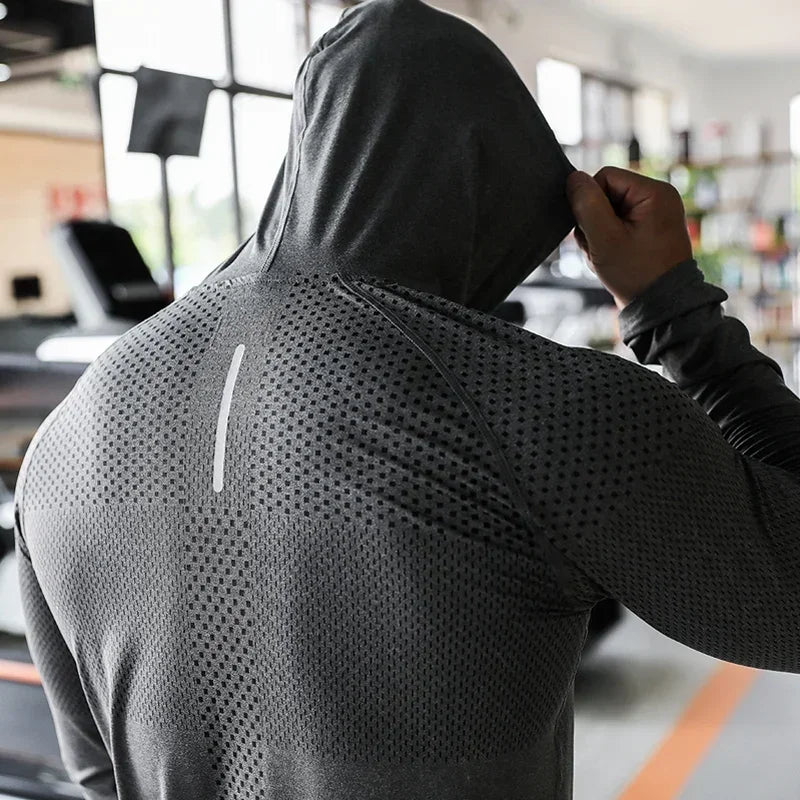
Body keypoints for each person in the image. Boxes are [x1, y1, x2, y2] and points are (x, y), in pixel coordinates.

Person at [13, 1, 800, 798]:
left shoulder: (64, 435)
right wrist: (674, 310)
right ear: (499, 193)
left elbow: (98, 774)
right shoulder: (546, 412)